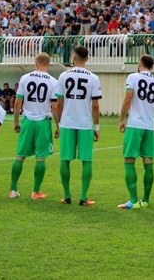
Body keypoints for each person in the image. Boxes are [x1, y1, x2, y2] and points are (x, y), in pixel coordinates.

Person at [54, 46, 101, 206]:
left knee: (65, 159)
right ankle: (83, 197)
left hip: (67, 122)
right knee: (86, 160)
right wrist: (97, 127)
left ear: (73, 56)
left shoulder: (63, 76)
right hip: (85, 123)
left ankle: (67, 196)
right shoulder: (93, 78)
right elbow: (95, 105)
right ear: (87, 58)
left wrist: (59, 123)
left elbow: (59, 102)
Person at [118, 54, 154, 210]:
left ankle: (133, 200)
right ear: (152, 67)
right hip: (149, 126)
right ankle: (145, 200)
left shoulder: (133, 77)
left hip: (134, 125)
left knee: (129, 160)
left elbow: (127, 99)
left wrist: (121, 119)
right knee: (148, 164)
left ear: (140, 64)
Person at [10, 52, 58, 199]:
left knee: (20, 156)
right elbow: (55, 107)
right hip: (43, 121)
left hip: (28, 120)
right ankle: (36, 191)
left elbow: (17, 103)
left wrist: (16, 121)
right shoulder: (53, 81)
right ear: (48, 65)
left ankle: (13, 190)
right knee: (41, 158)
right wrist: (58, 126)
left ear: (35, 63)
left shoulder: (25, 78)